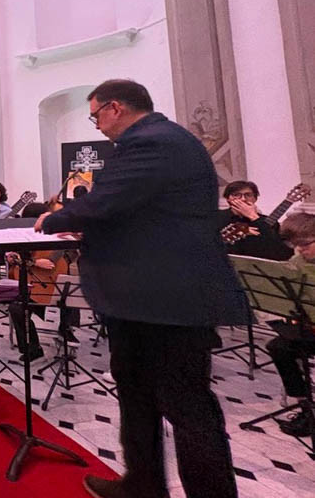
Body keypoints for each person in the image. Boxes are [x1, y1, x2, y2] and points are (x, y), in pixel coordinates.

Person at [34, 79, 246, 498]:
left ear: (115, 108)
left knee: (186, 406)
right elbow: (138, 213)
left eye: (96, 116)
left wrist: (54, 219)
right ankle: (143, 484)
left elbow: (107, 200)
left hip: (167, 299)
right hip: (141, 297)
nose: (97, 125)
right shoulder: (160, 140)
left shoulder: (154, 141)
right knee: (136, 393)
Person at [7, 202, 80, 362]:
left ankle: (66, 329)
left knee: (71, 295)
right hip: (34, 285)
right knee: (16, 308)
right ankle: (33, 349)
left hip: (54, 282)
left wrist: (61, 259)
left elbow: (73, 252)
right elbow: (14, 259)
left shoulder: (59, 233)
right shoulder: (23, 236)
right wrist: (35, 262)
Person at [263, 212, 315, 437]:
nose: (300, 251)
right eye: (295, 246)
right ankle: (306, 407)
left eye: (305, 245)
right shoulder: (297, 262)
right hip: (311, 327)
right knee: (278, 347)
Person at [218, 180, 292, 261]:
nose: (243, 199)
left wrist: (253, 217)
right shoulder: (215, 218)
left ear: (255, 198)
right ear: (228, 199)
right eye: (236, 195)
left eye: (248, 195)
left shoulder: (269, 221)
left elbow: (282, 254)